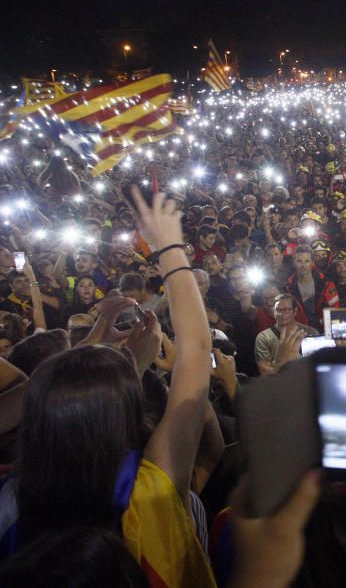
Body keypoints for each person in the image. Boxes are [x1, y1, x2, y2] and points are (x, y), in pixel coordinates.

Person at [0, 189, 219, 587]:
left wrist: (98, 347)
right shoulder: (149, 493)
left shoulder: (11, 505)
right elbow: (197, 350)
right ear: (126, 415)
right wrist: (168, 243)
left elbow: (42, 395)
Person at [254, 294, 318, 375]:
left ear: (295, 311)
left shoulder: (310, 332)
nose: (282, 314)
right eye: (278, 310)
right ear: (274, 312)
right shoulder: (263, 338)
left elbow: (316, 364)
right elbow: (265, 372)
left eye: (287, 310)